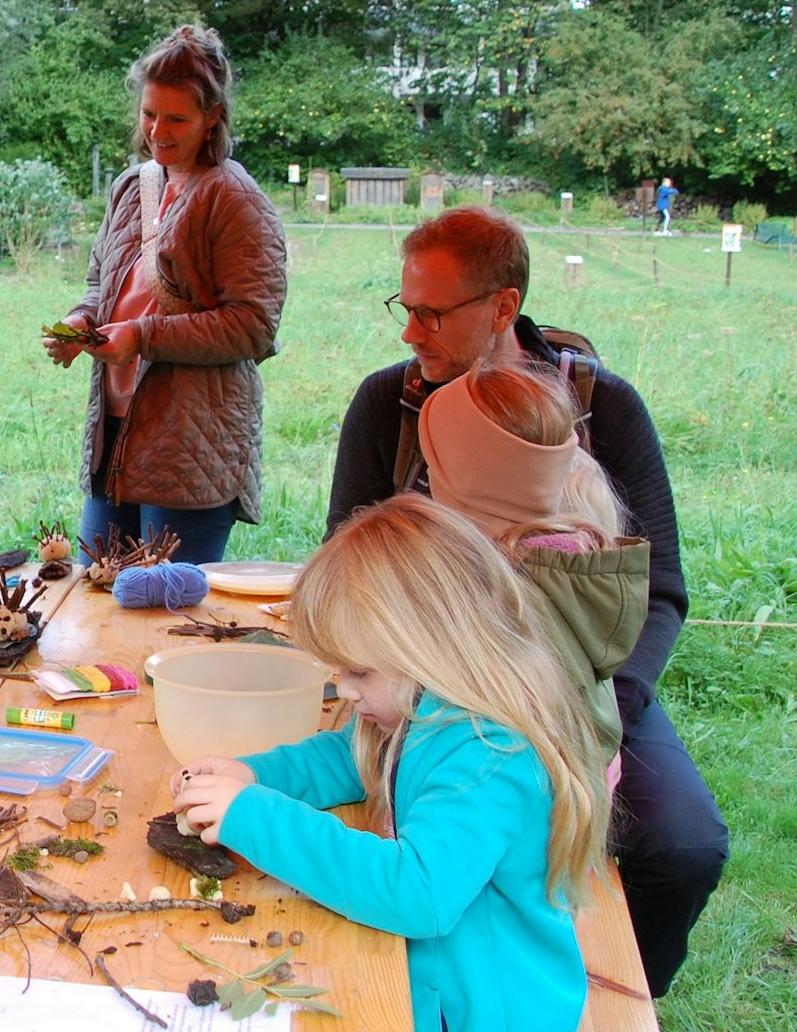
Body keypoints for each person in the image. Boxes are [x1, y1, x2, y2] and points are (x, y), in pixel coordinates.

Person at [326, 204, 727, 996]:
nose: (411, 332)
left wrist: (597, 711)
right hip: (425, 686)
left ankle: (617, 985)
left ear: (503, 307)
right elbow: (349, 557)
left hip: (589, 682)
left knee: (684, 844)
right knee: (383, 803)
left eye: (432, 313)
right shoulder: (386, 405)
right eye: (404, 309)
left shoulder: (602, 408)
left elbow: (662, 590)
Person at [171, 494, 611, 1032]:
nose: (343, 688)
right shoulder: (424, 705)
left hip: (484, 1010)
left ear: (431, 647)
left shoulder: (489, 755)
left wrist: (255, 815)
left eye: (357, 671)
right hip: (429, 980)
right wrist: (257, 775)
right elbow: (352, 757)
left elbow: (417, 893)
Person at [43, 24, 287, 565]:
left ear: (213, 117)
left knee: (166, 619)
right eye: (150, 114)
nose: (158, 131)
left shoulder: (235, 199)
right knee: (94, 605)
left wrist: (141, 336)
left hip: (191, 440)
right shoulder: (131, 187)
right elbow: (99, 284)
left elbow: (253, 326)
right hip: (116, 430)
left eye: (177, 118)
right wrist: (79, 324)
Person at [419, 360, 647, 775]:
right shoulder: (572, 566)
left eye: (434, 461)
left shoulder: (488, 591)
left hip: (487, 806)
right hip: (579, 793)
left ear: (461, 477)